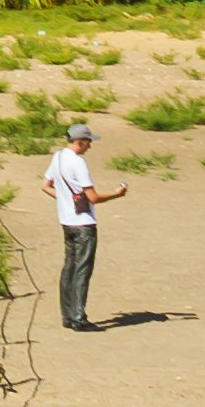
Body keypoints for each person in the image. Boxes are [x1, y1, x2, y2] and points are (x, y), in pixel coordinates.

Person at [48, 118, 125, 331]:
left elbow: (46, 186)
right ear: (80, 142)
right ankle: (79, 317)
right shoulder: (78, 163)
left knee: (69, 268)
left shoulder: (58, 157)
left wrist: (65, 199)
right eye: (88, 141)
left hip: (67, 222)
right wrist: (117, 194)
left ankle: (67, 316)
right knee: (82, 270)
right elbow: (93, 197)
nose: (90, 146)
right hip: (83, 224)